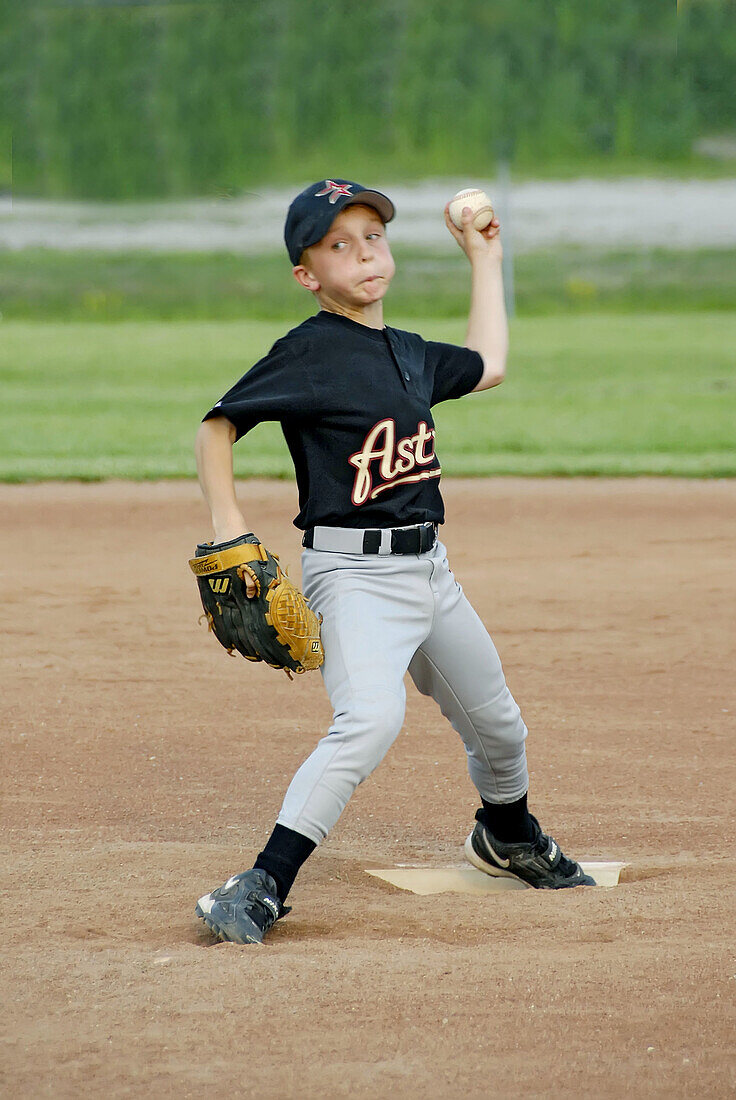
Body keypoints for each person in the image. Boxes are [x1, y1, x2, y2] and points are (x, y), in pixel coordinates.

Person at [194, 178, 594, 946]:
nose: (363, 254)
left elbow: (488, 361)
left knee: (500, 726)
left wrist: (485, 253)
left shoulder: (407, 353)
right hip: (355, 578)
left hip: (431, 575)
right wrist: (227, 529)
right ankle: (260, 884)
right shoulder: (307, 352)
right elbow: (218, 427)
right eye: (338, 245)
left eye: (372, 237)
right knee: (371, 720)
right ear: (308, 276)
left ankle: (506, 837)